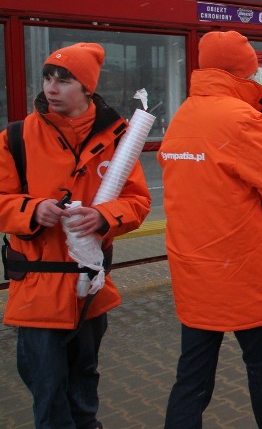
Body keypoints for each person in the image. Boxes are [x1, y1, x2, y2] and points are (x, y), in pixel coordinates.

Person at [0, 43, 151, 428]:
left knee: (85, 381)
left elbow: (137, 202)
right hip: (37, 287)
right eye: (49, 78)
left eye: (64, 80)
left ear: (87, 88)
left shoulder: (119, 139)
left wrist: (103, 217)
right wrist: (32, 209)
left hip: (90, 288)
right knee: (47, 391)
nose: (52, 87)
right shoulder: (15, 137)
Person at [159, 31, 262, 428]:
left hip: (194, 274)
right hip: (243, 273)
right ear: (244, 71)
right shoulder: (241, 118)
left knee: (191, 382)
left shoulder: (184, 114)